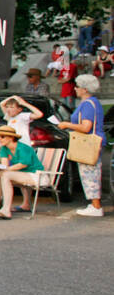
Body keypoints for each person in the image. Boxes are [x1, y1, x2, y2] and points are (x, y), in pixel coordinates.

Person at [57, 74, 105, 217]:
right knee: (90, 172)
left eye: (77, 86)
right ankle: (94, 203)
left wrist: (66, 124)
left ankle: (96, 206)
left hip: (88, 142)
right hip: (93, 142)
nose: (75, 89)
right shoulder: (93, 102)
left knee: (90, 173)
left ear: (84, 89)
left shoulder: (87, 104)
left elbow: (85, 127)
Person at [0, 126, 44, 220]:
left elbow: (23, 164)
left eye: (2, 136)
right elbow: (4, 165)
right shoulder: (4, 148)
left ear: (11, 137)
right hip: (21, 174)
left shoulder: (23, 148)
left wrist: (5, 170)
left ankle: (6, 210)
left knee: (5, 175)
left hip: (36, 175)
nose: (0, 139)